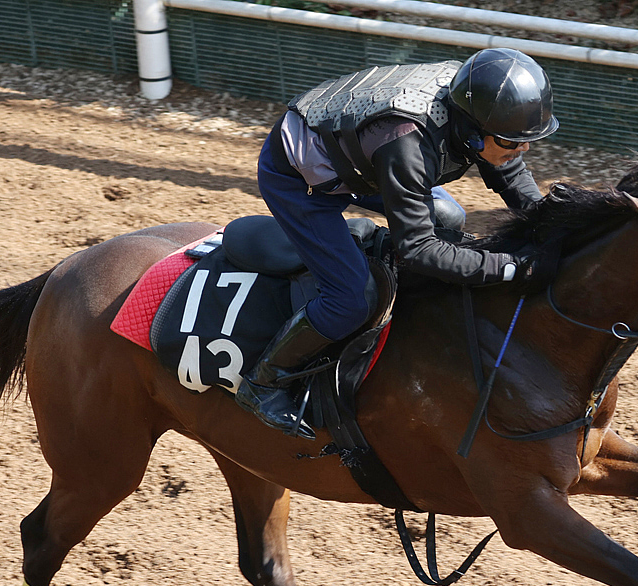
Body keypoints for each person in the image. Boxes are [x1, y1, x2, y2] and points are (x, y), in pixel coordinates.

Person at [235, 48, 560, 439]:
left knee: (450, 218)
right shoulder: (408, 144)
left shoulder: (473, 100)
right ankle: (264, 382)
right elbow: (419, 249)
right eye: (513, 142)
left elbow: (509, 171)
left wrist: (552, 225)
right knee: (351, 300)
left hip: (363, 158)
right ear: (474, 133)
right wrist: (510, 267)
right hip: (299, 178)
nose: (522, 150)